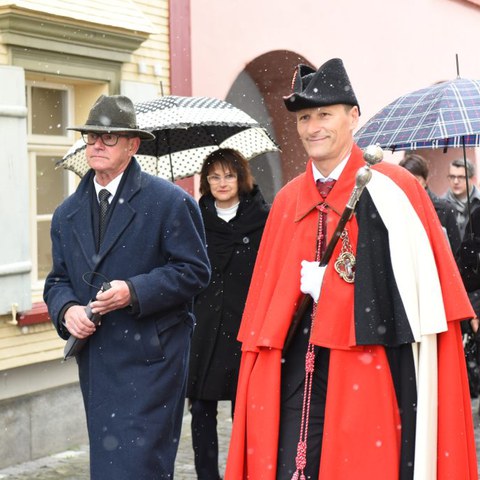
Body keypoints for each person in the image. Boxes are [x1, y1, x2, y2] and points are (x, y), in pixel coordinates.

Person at [225, 59, 477, 479]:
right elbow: (265, 312)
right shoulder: (287, 201)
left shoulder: (396, 190)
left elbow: (417, 299)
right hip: (294, 376)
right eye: (304, 117)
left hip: (372, 372)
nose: (312, 127)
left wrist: (342, 290)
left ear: (353, 116)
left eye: (324, 114)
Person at [43, 94, 211, 479]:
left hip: (154, 360)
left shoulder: (169, 202)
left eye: (109, 137)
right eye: (90, 137)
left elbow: (195, 271)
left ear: (133, 144)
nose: (97, 145)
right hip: (98, 361)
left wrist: (133, 291)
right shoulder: (66, 213)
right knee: (109, 465)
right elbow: (58, 281)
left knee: (140, 466)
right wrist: (67, 309)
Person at [187, 148, 269, 479]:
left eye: (229, 175)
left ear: (241, 177)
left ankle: (244, 473)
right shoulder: (193, 219)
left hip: (245, 326)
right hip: (203, 327)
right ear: (206, 181)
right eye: (214, 176)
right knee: (202, 410)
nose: (222, 183)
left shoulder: (263, 218)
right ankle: (207, 475)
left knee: (245, 411)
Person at [398, 153, 461, 253]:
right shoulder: (397, 209)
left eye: (416, 179)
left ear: (426, 180)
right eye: (406, 179)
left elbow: (455, 251)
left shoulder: (444, 209)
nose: (411, 184)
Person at [444, 158, 480, 239]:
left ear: (472, 179)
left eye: (461, 177)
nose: (456, 181)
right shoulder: (441, 205)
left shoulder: (478, 202)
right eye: (452, 177)